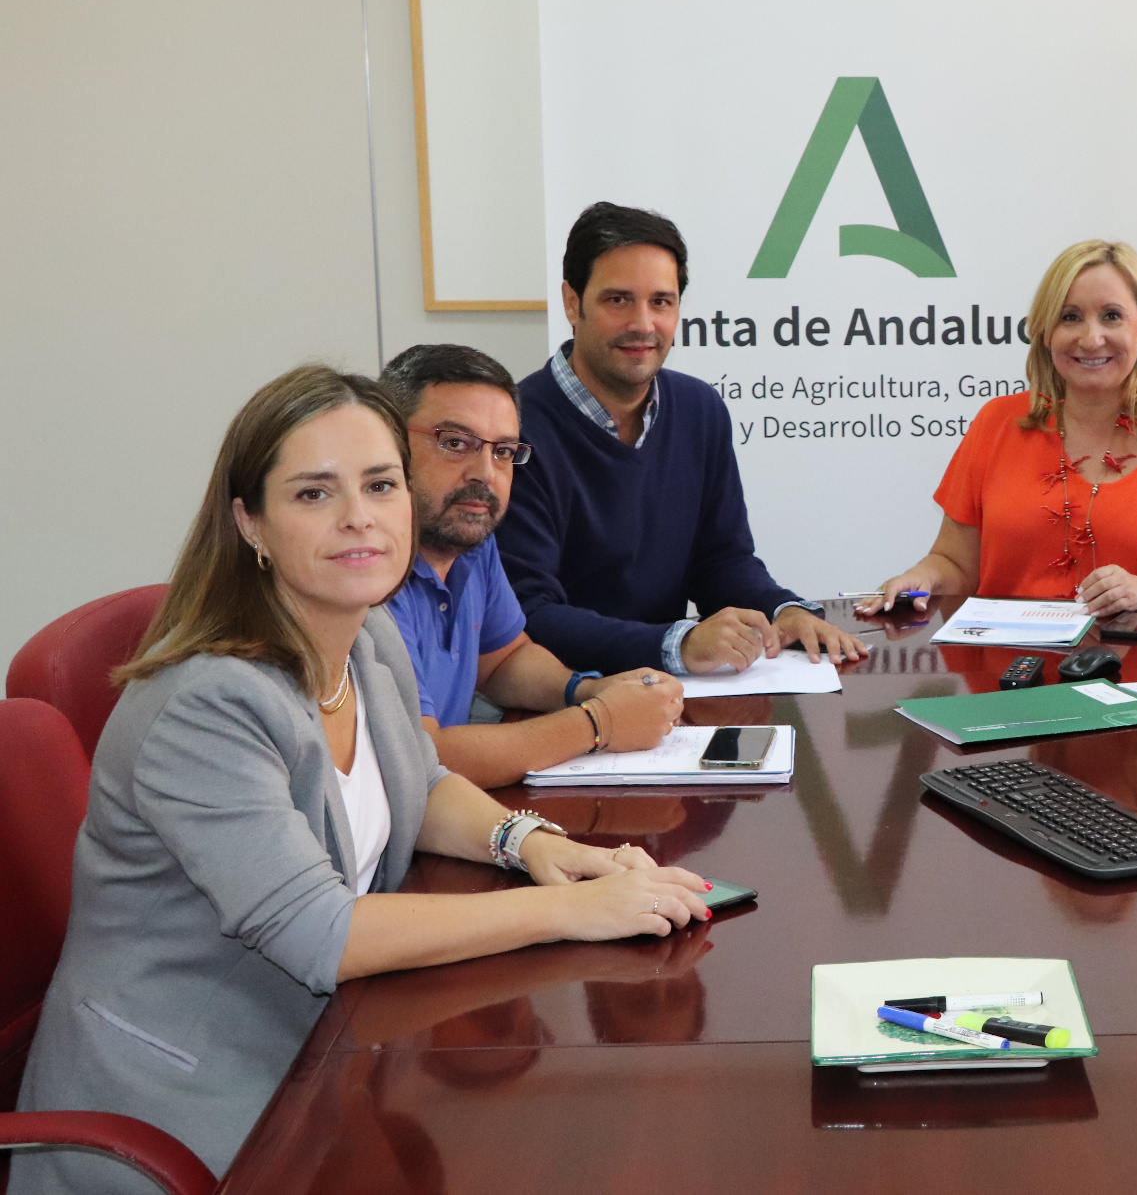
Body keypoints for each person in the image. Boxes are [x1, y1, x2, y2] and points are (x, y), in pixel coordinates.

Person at [12, 366, 717, 1195]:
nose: (359, 518)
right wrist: (570, 912)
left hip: (329, 1056)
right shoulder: (206, 702)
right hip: (185, 1107)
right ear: (251, 523)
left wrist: (530, 842)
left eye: (380, 485)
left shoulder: (366, 634)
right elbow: (320, 931)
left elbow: (420, 782)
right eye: (314, 494)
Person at [499, 202, 866, 675]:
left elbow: (721, 561)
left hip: (669, 694)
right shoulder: (513, 430)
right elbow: (526, 614)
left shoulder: (700, 411)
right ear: (573, 302)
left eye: (661, 302)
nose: (643, 324)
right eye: (618, 300)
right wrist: (678, 643)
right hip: (559, 697)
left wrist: (783, 610)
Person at [863, 239, 1137, 617]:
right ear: (1047, 332)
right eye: (1070, 317)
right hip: (1009, 673)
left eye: (1112, 316)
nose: (1091, 337)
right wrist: (920, 577)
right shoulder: (997, 422)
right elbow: (955, 564)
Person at [377, 344, 684, 788]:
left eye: (503, 451)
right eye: (456, 443)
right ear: (388, 442)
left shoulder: (470, 540)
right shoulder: (367, 574)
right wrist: (599, 722)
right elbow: (424, 759)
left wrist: (587, 690)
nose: (485, 473)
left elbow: (504, 660)